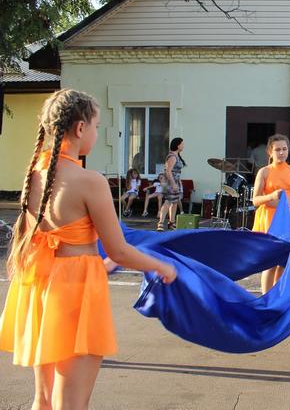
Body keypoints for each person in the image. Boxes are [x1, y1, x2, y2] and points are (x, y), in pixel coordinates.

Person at [0, 89, 176, 410]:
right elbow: (119, 250)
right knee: (72, 404)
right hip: (76, 294)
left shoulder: (35, 175)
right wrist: (161, 266)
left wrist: (103, 263)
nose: (96, 132)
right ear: (80, 129)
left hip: (42, 287)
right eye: (96, 125)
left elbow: (64, 241)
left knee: (43, 399)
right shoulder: (89, 181)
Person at [252, 134, 290, 294]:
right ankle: (266, 297)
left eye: (284, 149)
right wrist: (271, 196)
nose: (281, 153)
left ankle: (277, 296)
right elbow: (255, 200)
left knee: (284, 261)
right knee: (270, 261)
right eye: (277, 149)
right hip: (269, 219)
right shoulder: (264, 172)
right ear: (270, 152)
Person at [157, 138, 186, 231]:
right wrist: (173, 184)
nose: (183, 145)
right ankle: (160, 223)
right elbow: (168, 171)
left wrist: (178, 183)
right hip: (170, 182)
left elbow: (177, 172)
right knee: (168, 202)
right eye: (182, 144)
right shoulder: (172, 156)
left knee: (174, 202)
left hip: (175, 181)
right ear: (177, 145)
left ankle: (171, 222)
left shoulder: (177, 156)